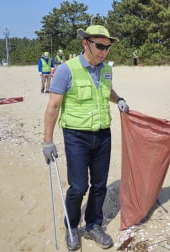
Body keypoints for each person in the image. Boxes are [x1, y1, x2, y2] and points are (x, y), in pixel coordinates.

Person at [42, 25, 130, 251]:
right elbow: (53, 106)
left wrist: (118, 99)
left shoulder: (107, 70)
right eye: (99, 46)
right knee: (79, 187)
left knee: (99, 184)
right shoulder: (66, 70)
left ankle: (93, 225)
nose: (104, 52)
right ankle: (72, 226)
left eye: (107, 47)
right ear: (85, 43)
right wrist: (47, 140)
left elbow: (106, 89)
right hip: (76, 136)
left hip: (103, 134)